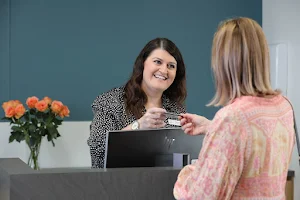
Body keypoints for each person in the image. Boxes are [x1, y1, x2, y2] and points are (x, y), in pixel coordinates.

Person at [173, 17, 295, 199]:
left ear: (223, 62)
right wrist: (212, 127)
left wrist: (188, 172)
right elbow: (255, 141)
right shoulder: (284, 105)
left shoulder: (232, 117)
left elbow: (199, 195)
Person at [88, 38, 187, 168]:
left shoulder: (176, 110)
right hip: (117, 185)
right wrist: (138, 126)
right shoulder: (111, 101)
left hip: (164, 186)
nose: (164, 70)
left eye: (171, 66)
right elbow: (98, 151)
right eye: (158, 62)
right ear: (142, 64)